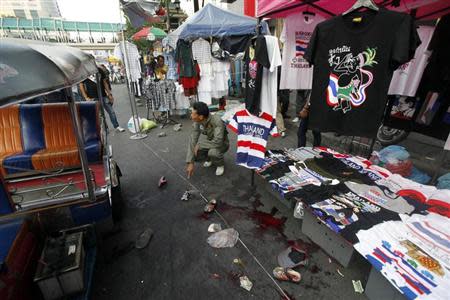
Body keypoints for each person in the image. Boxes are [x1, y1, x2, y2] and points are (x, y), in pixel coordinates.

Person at [186, 102, 229, 178]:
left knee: (213, 152)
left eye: (193, 114)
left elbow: (218, 142)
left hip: (222, 144)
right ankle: (209, 159)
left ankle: (220, 164)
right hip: (210, 142)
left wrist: (200, 145)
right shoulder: (197, 121)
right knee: (195, 150)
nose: (191, 116)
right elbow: (193, 139)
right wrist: (190, 162)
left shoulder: (217, 121)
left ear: (201, 116)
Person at [79, 67, 125, 132]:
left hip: (103, 95)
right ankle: (104, 128)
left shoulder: (99, 70)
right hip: (92, 97)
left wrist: (109, 94)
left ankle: (116, 126)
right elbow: (81, 85)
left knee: (111, 111)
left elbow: (104, 82)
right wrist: (86, 97)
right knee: (99, 114)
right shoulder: (85, 71)